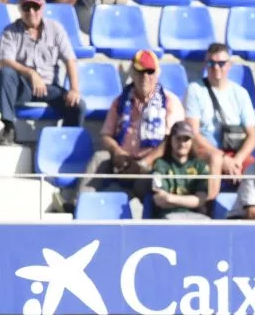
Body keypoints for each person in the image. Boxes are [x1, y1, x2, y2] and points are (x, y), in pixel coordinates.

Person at [79, 49, 184, 204]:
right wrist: (117, 151)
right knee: (99, 158)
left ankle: (125, 204)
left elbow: (172, 141)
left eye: (150, 72)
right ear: (133, 74)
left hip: (153, 162)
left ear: (157, 73)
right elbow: (106, 135)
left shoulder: (169, 101)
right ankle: (78, 204)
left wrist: (144, 163)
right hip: (124, 158)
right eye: (140, 72)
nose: (145, 77)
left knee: (149, 178)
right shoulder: (120, 101)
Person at [0, 0, 84, 144]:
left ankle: (65, 143)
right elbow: (4, 60)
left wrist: (74, 89)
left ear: (43, 6)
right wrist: (31, 73)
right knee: (6, 74)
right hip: (22, 86)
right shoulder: (10, 31)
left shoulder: (56, 29)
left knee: (77, 105)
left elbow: (70, 59)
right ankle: (9, 126)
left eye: (35, 6)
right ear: (20, 7)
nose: (31, 12)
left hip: (49, 87)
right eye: (26, 7)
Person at [184, 43, 255, 206]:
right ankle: (209, 209)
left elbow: (252, 135)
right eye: (211, 63)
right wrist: (224, 159)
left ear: (229, 65)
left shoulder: (240, 93)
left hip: (234, 152)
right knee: (216, 160)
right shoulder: (195, 89)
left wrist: (237, 160)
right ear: (206, 64)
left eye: (221, 63)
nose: (216, 67)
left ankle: (253, 212)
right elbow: (194, 134)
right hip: (205, 150)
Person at [150, 121, 209, 220]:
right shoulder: (160, 165)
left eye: (186, 139)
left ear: (191, 141)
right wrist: (190, 201)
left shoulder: (201, 166)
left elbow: (201, 200)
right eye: (178, 139)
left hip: (196, 217)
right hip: (168, 217)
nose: (182, 143)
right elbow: (159, 199)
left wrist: (171, 198)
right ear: (170, 140)